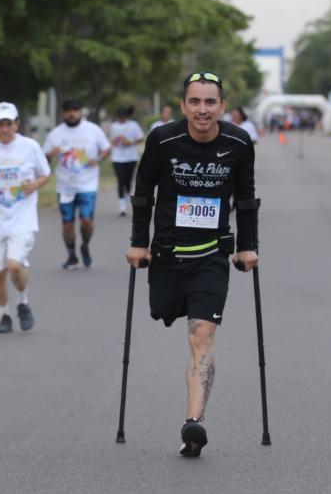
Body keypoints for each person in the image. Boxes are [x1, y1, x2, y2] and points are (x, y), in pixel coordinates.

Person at [125, 71, 259, 458]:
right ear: (182, 105)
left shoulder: (238, 142)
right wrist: (138, 243)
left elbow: (246, 199)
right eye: (195, 102)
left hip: (212, 254)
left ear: (222, 106)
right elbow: (143, 192)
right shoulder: (163, 139)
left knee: (202, 337)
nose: (203, 110)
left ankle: (192, 425)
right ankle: (193, 421)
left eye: (210, 102)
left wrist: (247, 247)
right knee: (164, 311)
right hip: (167, 254)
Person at [0, 101, 51, 333]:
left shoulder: (30, 146)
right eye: (0, 124)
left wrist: (35, 185)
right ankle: (4, 315)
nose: (5, 129)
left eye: (9, 123)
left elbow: (45, 174)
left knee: (14, 266)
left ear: (17, 124)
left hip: (21, 218)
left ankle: (23, 301)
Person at [41, 99, 110, 269]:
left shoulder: (93, 130)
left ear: (80, 112)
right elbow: (43, 159)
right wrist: (51, 154)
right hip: (65, 186)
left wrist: (99, 159)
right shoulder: (55, 134)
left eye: (75, 110)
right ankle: (71, 255)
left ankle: (85, 246)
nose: (72, 113)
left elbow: (106, 148)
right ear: (63, 113)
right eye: (68, 110)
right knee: (68, 224)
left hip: (88, 184)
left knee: (86, 221)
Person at [107, 106, 145, 216]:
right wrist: (115, 141)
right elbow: (111, 139)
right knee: (120, 180)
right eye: (120, 117)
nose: (121, 119)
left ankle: (127, 194)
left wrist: (130, 142)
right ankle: (122, 206)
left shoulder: (133, 125)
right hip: (117, 157)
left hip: (131, 157)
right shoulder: (113, 126)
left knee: (128, 181)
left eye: (123, 117)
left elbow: (141, 138)